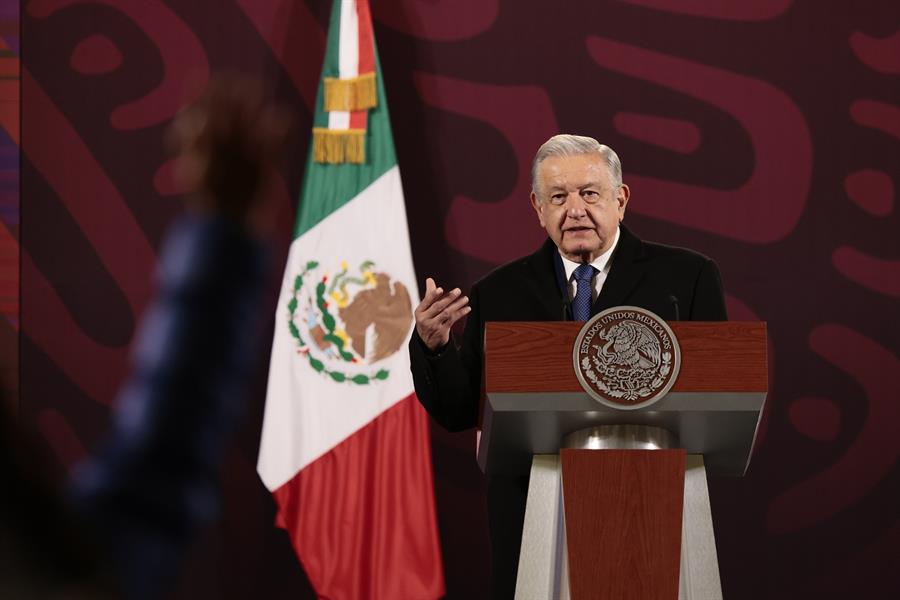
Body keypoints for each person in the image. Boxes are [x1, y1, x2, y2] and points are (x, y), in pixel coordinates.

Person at [408, 134, 727, 598]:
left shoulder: (686, 279)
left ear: (621, 200)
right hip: (531, 510)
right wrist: (435, 347)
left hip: (650, 504)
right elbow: (459, 411)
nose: (574, 209)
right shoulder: (499, 292)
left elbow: (717, 391)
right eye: (558, 197)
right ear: (538, 208)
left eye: (589, 193)